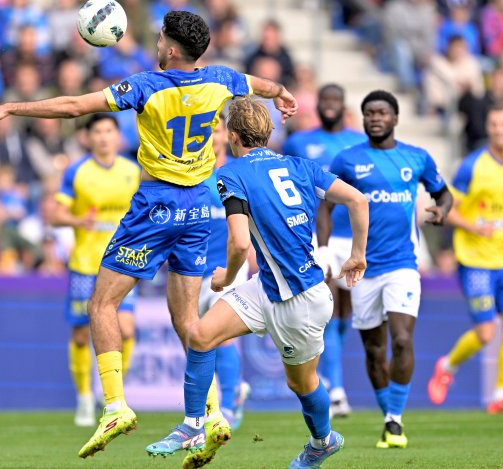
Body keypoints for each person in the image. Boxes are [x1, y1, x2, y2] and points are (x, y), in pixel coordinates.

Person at [0, 10, 297, 460]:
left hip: (158, 204)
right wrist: (282, 93)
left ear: (168, 49)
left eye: (161, 36)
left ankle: (115, 406)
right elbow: (260, 84)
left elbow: (72, 107)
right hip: (204, 207)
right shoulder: (222, 79)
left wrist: (11, 106)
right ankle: (214, 412)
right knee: (188, 321)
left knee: (102, 303)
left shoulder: (146, 85)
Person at [146, 96, 368, 468]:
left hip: (300, 300)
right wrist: (358, 253)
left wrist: (225, 278)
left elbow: (239, 242)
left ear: (233, 136)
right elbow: (359, 201)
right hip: (268, 285)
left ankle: (322, 440)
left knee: (302, 384)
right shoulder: (300, 165)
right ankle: (192, 425)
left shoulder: (231, 174)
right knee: (201, 336)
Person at [321, 90, 452, 449]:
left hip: (402, 265)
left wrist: (442, 210)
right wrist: (321, 248)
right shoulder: (348, 160)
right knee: (374, 350)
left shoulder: (416, 157)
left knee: (403, 338)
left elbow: (443, 193)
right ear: (362, 120)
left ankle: (395, 420)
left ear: (395, 118)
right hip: (362, 268)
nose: (375, 118)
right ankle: (387, 416)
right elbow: (324, 204)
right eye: (369, 113)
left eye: (382, 112)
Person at [428, 102, 503, 415]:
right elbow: (447, 211)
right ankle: (447, 365)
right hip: (474, 258)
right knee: (486, 332)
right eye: (494, 124)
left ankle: (500, 396)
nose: (499, 129)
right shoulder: (471, 166)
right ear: (488, 129)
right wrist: (474, 226)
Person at [48, 114, 140, 427]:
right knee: (78, 336)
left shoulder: (132, 170)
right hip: (86, 264)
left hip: (123, 262)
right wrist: (76, 221)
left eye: (108, 131)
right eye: (97, 132)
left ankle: (109, 390)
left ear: (117, 136)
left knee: (126, 330)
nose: (103, 137)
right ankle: (84, 397)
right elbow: (55, 214)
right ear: (88, 137)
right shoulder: (77, 171)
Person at [284, 83, 366, 418]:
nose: (330, 105)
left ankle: (333, 380)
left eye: (336, 100)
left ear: (343, 105)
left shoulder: (358, 144)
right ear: (317, 105)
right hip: (315, 235)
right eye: (325, 100)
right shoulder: (298, 142)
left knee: (346, 312)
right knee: (327, 310)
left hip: (351, 235)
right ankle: (336, 389)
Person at [198, 118, 251, 430]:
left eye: (215, 129)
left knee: (222, 339)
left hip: (229, 267)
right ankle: (230, 394)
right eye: (204, 129)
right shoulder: (186, 175)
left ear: (226, 135)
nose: (210, 135)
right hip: (192, 269)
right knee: (200, 339)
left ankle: (226, 408)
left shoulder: (235, 172)